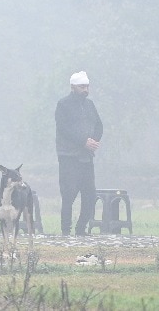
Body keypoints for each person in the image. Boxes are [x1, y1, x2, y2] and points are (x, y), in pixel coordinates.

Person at [56, 70, 103, 236]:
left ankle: (81, 229)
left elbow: (99, 125)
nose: (85, 90)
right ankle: (65, 230)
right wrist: (83, 141)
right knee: (69, 195)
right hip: (69, 157)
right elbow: (64, 129)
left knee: (90, 195)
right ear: (73, 87)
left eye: (87, 86)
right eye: (82, 86)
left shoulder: (89, 105)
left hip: (86, 158)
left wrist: (93, 141)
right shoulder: (63, 105)